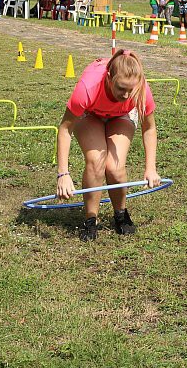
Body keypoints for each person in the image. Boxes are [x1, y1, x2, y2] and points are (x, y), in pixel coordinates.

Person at [55, 50, 161, 241]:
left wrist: (150, 168)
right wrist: (63, 174)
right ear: (109, 77)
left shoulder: (140, 90)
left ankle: (120, 214)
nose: (126, 95)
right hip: (90, 114)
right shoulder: (88, 87)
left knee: (115, 167)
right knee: (96, 161)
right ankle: (90, 220)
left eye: (131, 89)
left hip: (122, 115)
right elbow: (65, 129)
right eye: (121, 88)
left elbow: (149, 128)